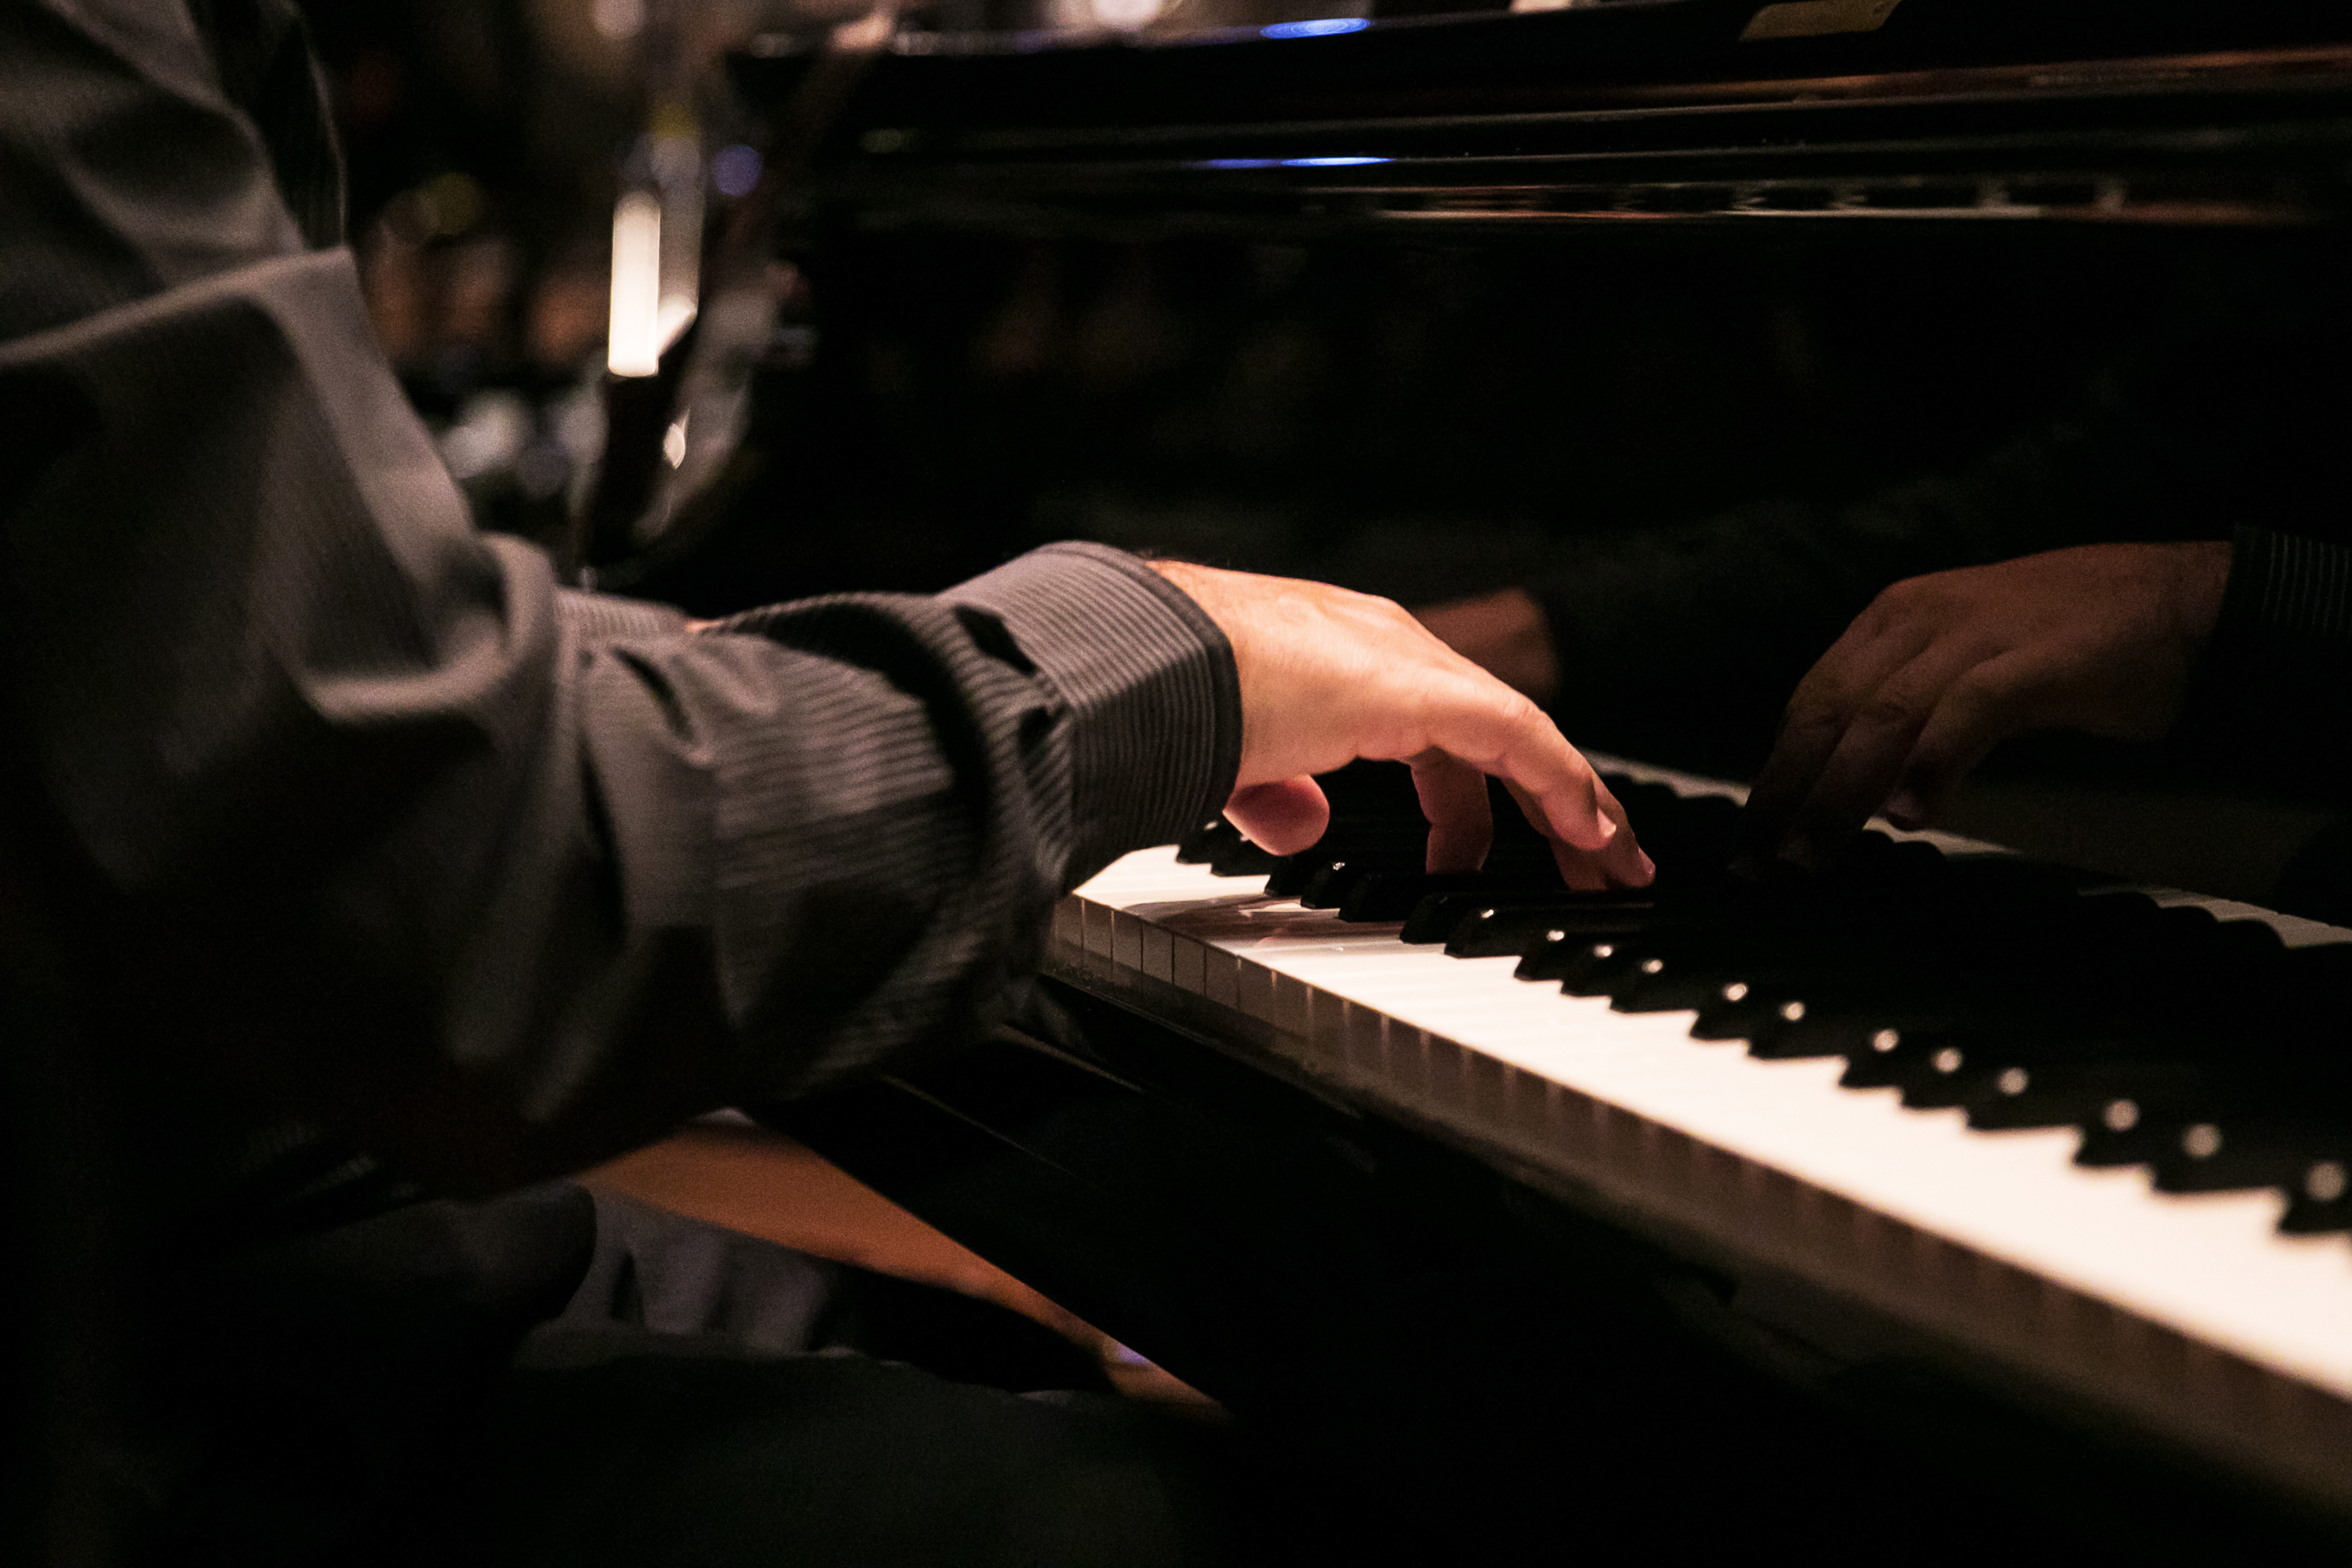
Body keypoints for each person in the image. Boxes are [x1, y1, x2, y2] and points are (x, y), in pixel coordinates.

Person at [0, 3, 1651, 1565]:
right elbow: (419, 882)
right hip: (129, 1358)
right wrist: (1147, 657)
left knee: (1045, 1371)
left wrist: (715, 699)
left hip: (228, 1191)